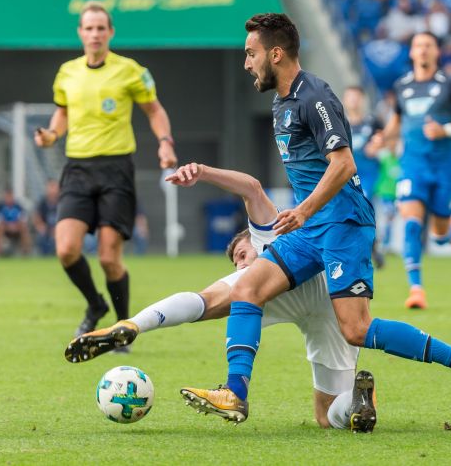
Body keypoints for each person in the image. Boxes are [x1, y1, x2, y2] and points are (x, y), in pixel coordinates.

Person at [179, 14, 451, 425]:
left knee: (355, 329)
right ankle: (234, 393)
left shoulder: (315, 97)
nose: (246, 62)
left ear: (275, 54)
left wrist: (305, 209)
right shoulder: (281, 101)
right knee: (247, 288)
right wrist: (307, 215)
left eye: (251, 53)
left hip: (343, 223)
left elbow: (344, 164)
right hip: (310, 228)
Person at [66, 162, 376, 432]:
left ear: (252, 236)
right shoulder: (269, 253)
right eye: (238, 263)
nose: (241, 264)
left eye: (242, 254)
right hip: (326, 297)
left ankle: (134, 324)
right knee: (326, 413)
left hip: (280, 274)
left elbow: (252, 188)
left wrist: (202, 171)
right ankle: (356, 404)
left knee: (205, 302)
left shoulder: (270, 231)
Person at [34, 1, 177, 337]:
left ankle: (123, 326)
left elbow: (154, 111)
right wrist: (52, 135)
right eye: (89, 28)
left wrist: (165, 142)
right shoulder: (67, 72)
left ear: (110, 32)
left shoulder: (130, 70)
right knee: (66, 249)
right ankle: (96, 304)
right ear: (80, 33)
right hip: (78, 169)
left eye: (101, 28)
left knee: (109, 259)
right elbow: (62, 113)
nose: (95, 34)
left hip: (116, 170)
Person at [384, 31, 451, 309]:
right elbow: (397, 122)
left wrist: (447, 129)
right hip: (413, 165)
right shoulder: (402, 86)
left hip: (444, 166)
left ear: (437, 51)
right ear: (412, 53)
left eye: (428, 45)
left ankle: (446, 232)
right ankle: (416, 289)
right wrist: (384, 138)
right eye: (418, 45)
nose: (423, 50)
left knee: (438, 234)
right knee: (412, 222)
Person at [343, 86, 385, 267]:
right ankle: (371, 245)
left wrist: (378, 145)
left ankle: (366, 248)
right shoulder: (339, 123)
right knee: (348, 211)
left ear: (362, 100)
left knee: (363, 205)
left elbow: (386, 137)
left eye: (357, 97)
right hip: (347, 174)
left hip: (368, 173)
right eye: (350, 97)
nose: (353, 100)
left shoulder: (372, 121)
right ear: (345, 100)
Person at [0, 188, 31, 256]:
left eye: (10, 196)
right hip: (6, 229)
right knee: (0, 227)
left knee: (24, 227)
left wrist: (15, 225)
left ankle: (25, 251)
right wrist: (8, 225)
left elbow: (23, 218)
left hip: (17, 228)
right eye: (7, 197)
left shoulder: (18, 206)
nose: (9, 198)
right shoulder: (0, 207)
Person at [32, 180, 60, 256]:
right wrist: (41, 227)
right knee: (41, 237)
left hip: (59, 229)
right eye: (50, 187)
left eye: (54, 187)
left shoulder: (62, 202)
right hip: (46, 229)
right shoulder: (42, 202)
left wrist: (58, 229)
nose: (52, 190)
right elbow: (36, 217)